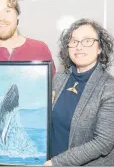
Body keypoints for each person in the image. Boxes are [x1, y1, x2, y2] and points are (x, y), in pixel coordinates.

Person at [44, 19, 114, 166]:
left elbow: (103, 142)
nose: (79, 47)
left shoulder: (109, 87)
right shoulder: (59, 79)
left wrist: (56, 163)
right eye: (74, 41)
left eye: (87, 41)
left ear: (100, 47)